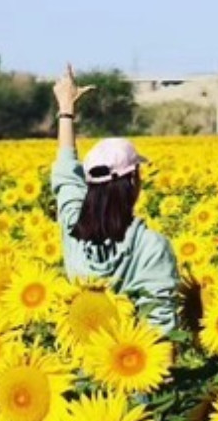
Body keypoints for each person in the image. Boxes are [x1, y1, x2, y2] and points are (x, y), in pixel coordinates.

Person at [51, 64, 180, 330]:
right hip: (130, 366)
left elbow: (66, 174)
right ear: (133, 182)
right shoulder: (150, 247)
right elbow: (161, 328)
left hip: (81, 367)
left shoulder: (73, 230)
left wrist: (66, 109)